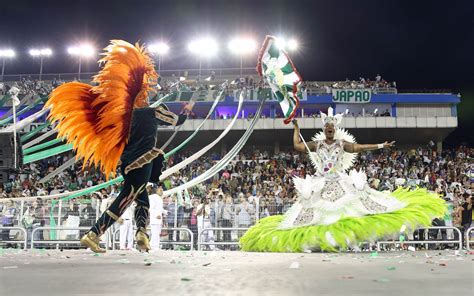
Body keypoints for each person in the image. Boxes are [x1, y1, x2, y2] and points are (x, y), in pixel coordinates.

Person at [45, 40, 194, 253]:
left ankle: (142, 233)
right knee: (125, 199)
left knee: (141, 197)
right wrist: (188, 108)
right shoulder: (153, 112)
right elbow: (177, 122)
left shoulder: (122, 119)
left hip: (127, 164)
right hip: (143, 162)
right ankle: (94, 233)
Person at [240, 107, 446, 252]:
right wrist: (296, 130)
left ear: (335, 128)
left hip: (339, 180)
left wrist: (381, 146)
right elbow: (298, 147)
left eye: (332, 126)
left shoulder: (341, 143)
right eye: (327, 126)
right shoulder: (316, 144)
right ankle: (323, 243)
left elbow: (359, 148)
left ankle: (343, 241)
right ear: (324, 129)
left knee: (353, 208)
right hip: (321, 182)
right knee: (315, 215)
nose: (329, 128)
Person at [149, 185, 165, 251]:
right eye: (160, 190)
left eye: (162, 190)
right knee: (155, 233)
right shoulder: (153, 197)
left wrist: (165, 212)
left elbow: (160, 209)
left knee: (157, 233)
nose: (162, 192)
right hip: (155, 219)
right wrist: (156, 215)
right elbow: (151, 209)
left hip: (159, 219)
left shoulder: (159, 198)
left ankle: (155, 246)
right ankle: (153, 246)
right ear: (157, 190)